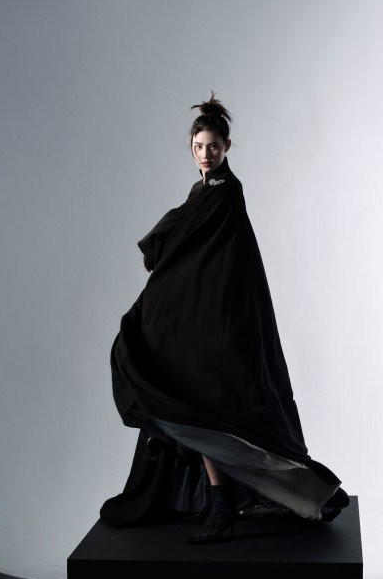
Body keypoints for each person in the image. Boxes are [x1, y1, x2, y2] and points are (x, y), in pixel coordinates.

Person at [100, 92, 348, 543]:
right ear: (190, 148)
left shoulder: (226, 192)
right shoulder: (204, 190)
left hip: (222, 323)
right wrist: (161, 251)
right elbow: (187, 235)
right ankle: (220, 501)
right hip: (206, 320)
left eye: (213, 147)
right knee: (193, 406)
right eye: (198, 147)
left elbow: (204, 250)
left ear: (227, 147)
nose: (205, 155)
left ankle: (226, 503)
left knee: (212, 413)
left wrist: (161, 250)